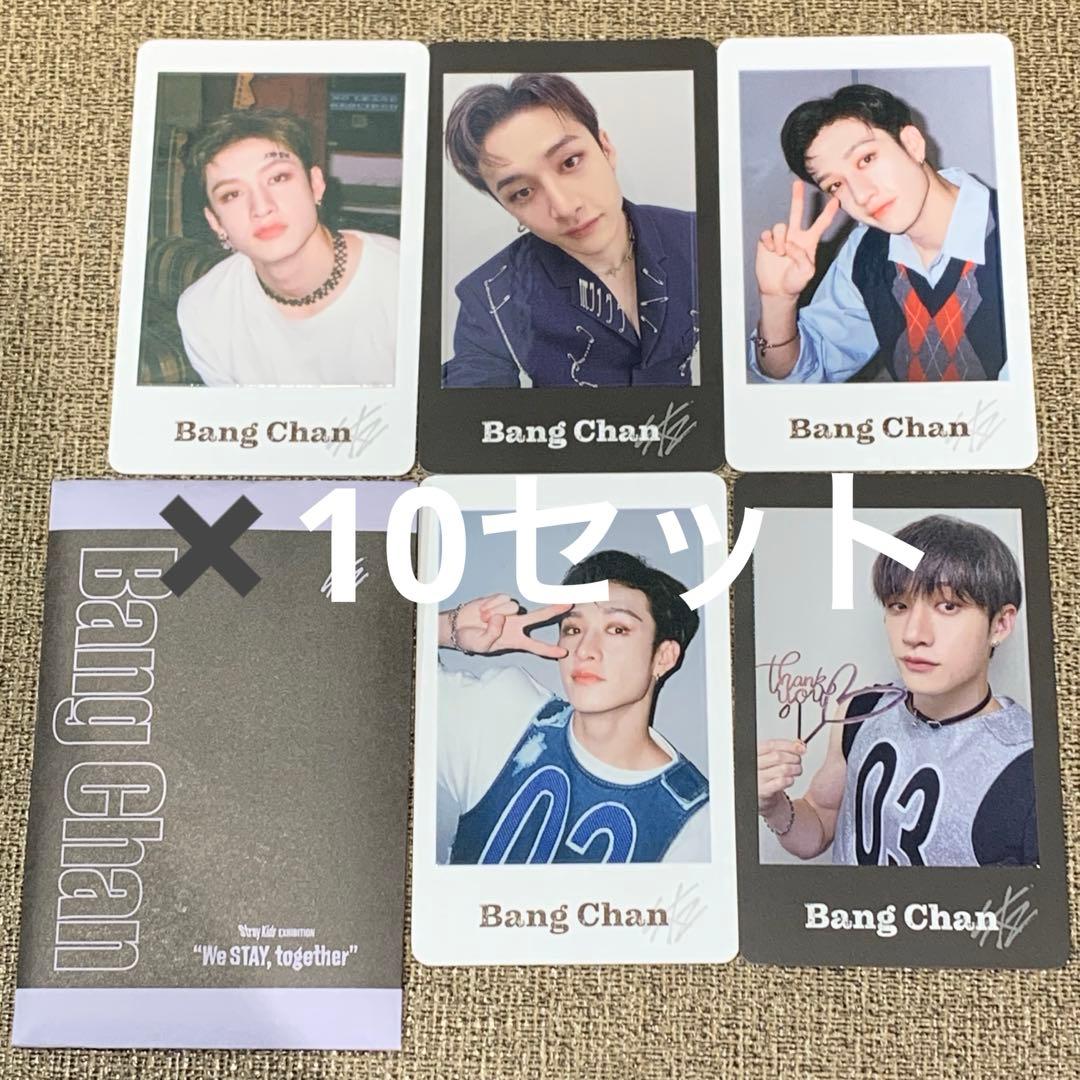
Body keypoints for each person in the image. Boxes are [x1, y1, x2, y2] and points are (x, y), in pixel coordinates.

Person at [757, 515, 1037, 867]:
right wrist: (773, 805)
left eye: (948, 606)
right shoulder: (860, 711)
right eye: (899, 606)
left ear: (1000, 624)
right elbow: (819, 822)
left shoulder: (1031, 766)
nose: (913, 634)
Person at [438, 550, 709, 864]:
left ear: (663, 657)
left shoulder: (694, 824)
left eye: (617, 629)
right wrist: (447, 629)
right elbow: (395, 692)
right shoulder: (507, 714)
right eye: (573, 629)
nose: (584, 650)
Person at [442, 74, 700, 388]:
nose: (564, 207)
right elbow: (472, 389)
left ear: (606, 149)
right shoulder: (491, 297)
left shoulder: (696, 238)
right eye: (522, 192)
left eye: (570, 162)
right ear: (507, 207)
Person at [749, 84, 1007, 384]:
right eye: (836, 185)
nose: (861, 195)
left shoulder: (1016, 231)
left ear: (912, 144)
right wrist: (777, 302)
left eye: (866, 159)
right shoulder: (866, 250)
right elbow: (801, 373)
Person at [176, 108, 400, 387]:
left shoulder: (404, 281)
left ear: (315, 184)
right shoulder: (204, 312)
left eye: (278, 178)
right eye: (232, 194)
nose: (261, 207)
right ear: (215, 221)